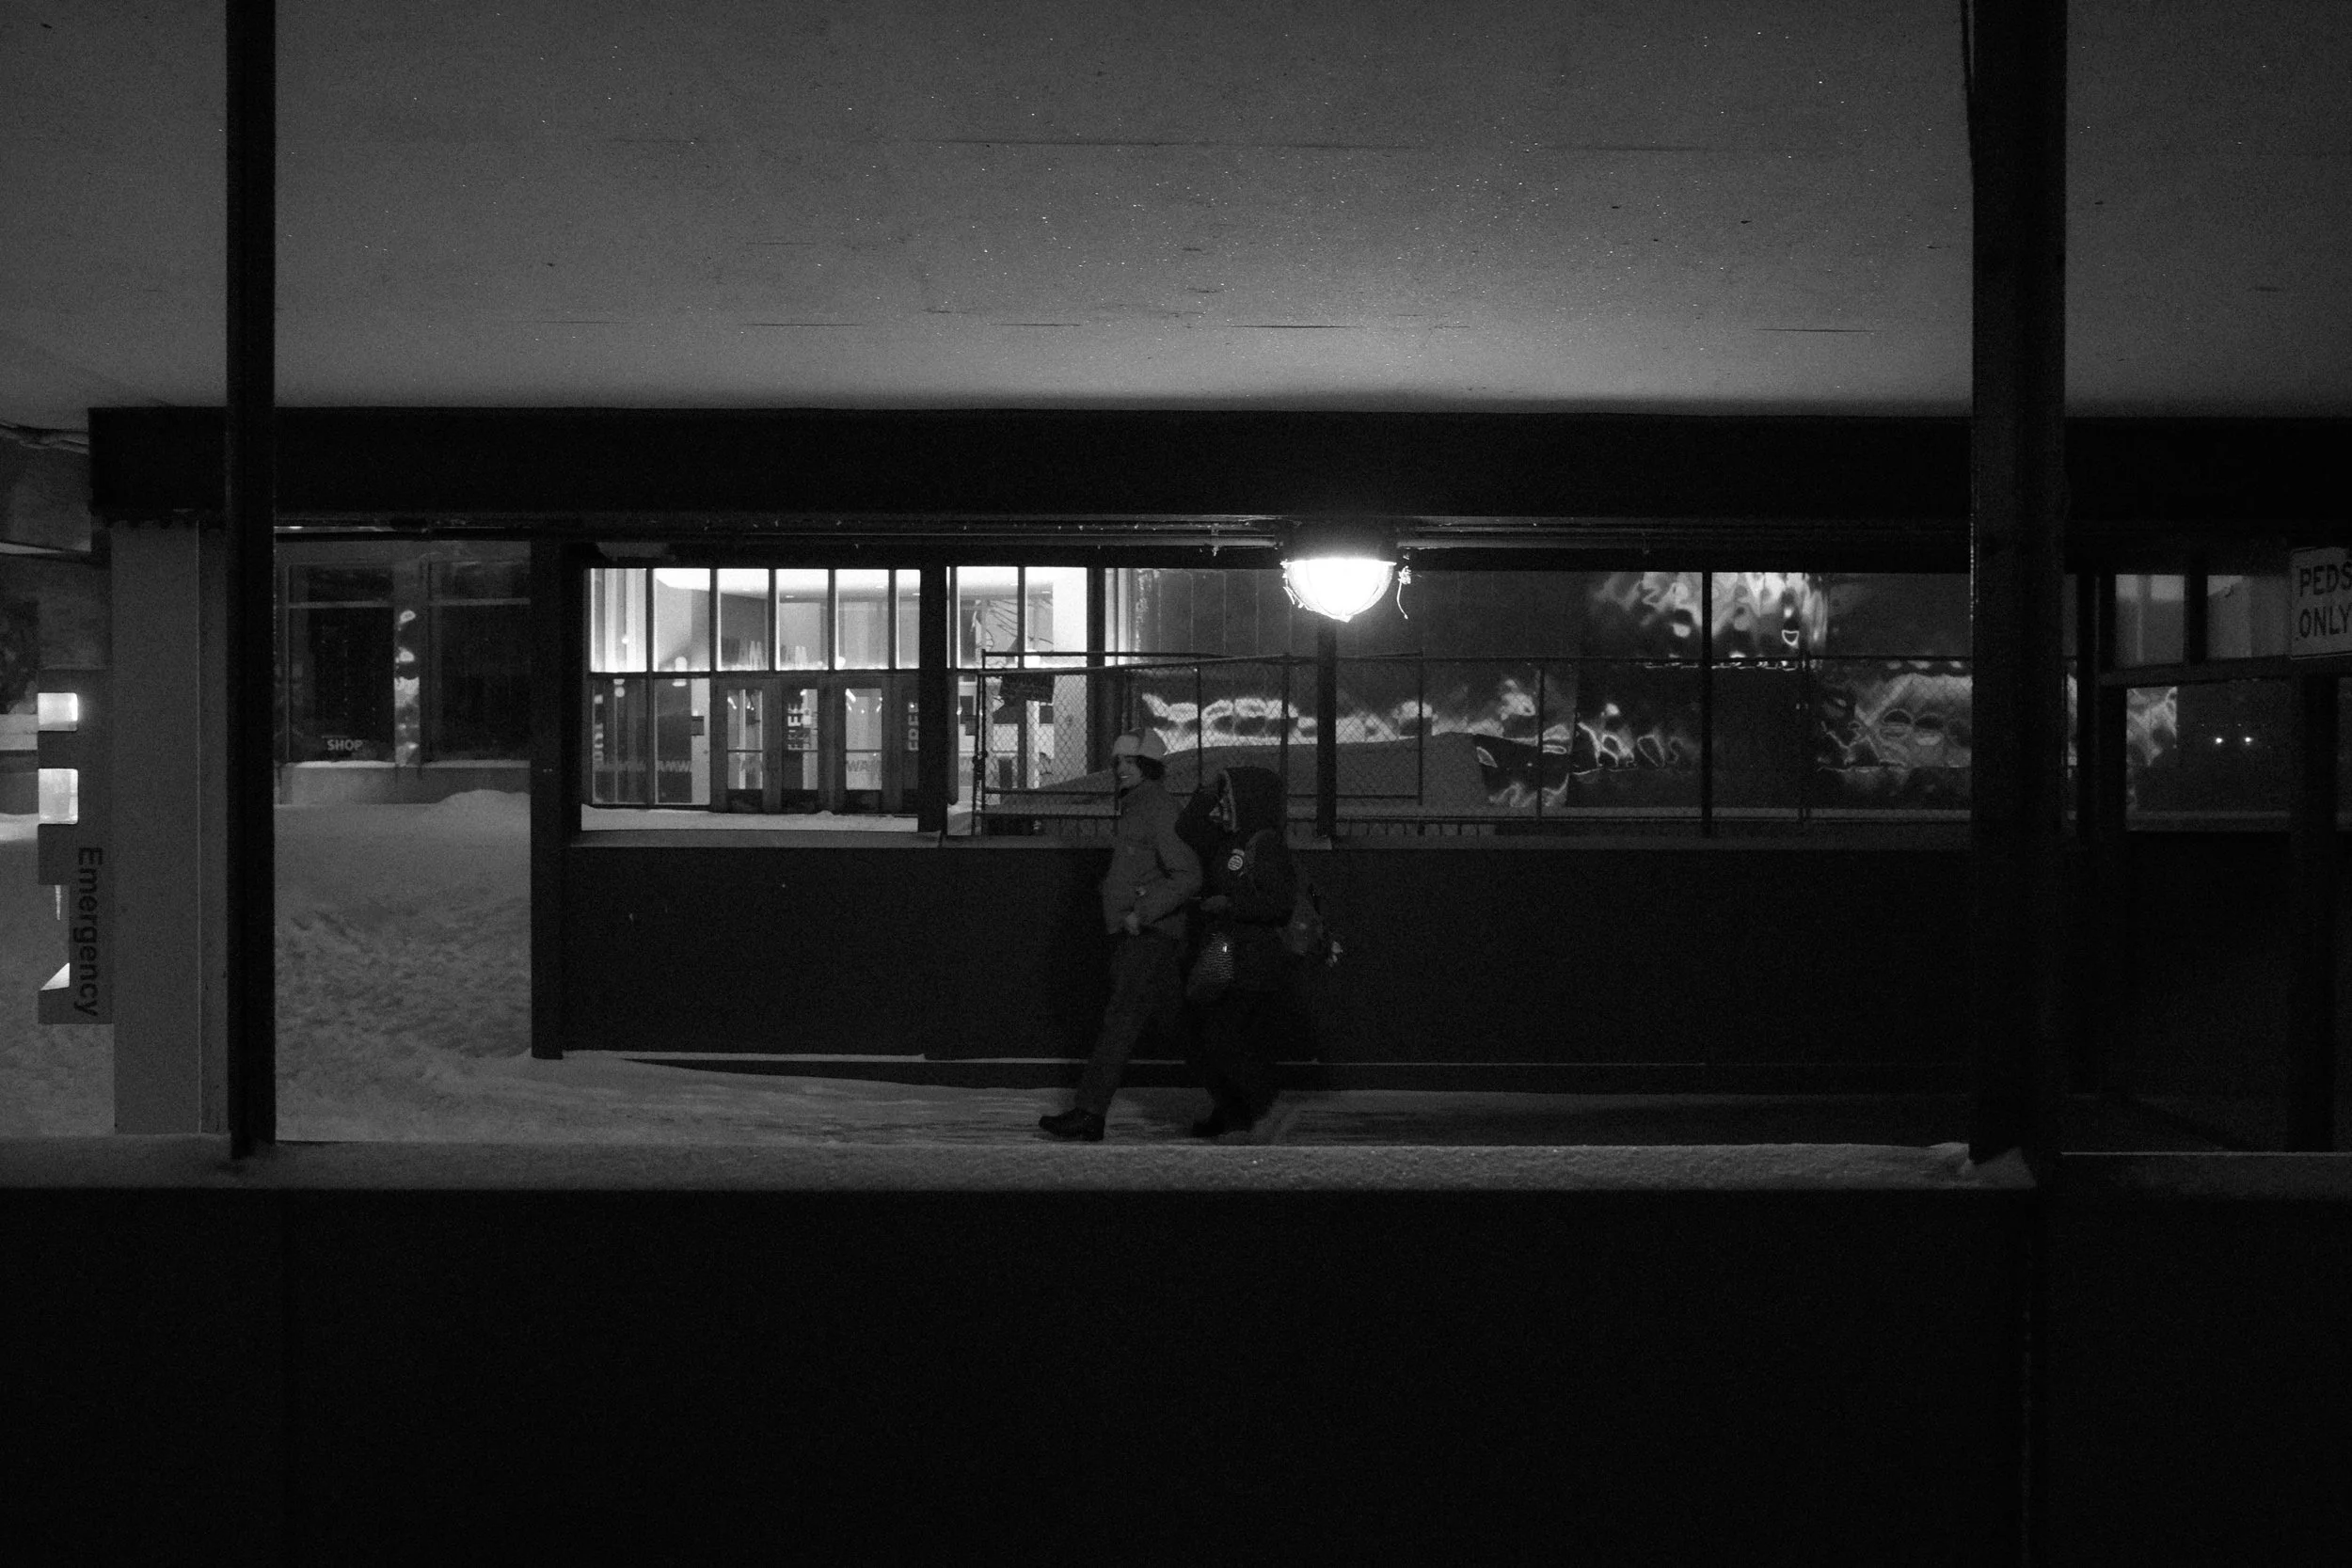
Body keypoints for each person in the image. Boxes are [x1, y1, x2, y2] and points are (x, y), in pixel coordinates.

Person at [1037, 730, 1201, 1143]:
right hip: (1143, 935)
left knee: (1121, 1023)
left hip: (1149, 937)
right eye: (1118, 763)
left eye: (1130, 762)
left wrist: (1140, 913)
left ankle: (1089, 1113)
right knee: (1180, 1023)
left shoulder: (1157, 808)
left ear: (1148, 766)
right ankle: (1239, 1095)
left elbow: (1188, 874)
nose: (1121, 769)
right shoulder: (1140, 806)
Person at [1184, 764, 1296, 1141]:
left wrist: (1228, 904)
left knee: (1223, 1037)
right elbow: (1187, 830)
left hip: (1254, 960)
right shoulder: (1226, 839)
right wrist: (1204, 793)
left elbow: (1279, 904)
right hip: (1227, 951)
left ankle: (1261, 1106)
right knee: (1206, 1035)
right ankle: (1231, 1113)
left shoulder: (1264, 843)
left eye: (1229, 795)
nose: (1223, 804)